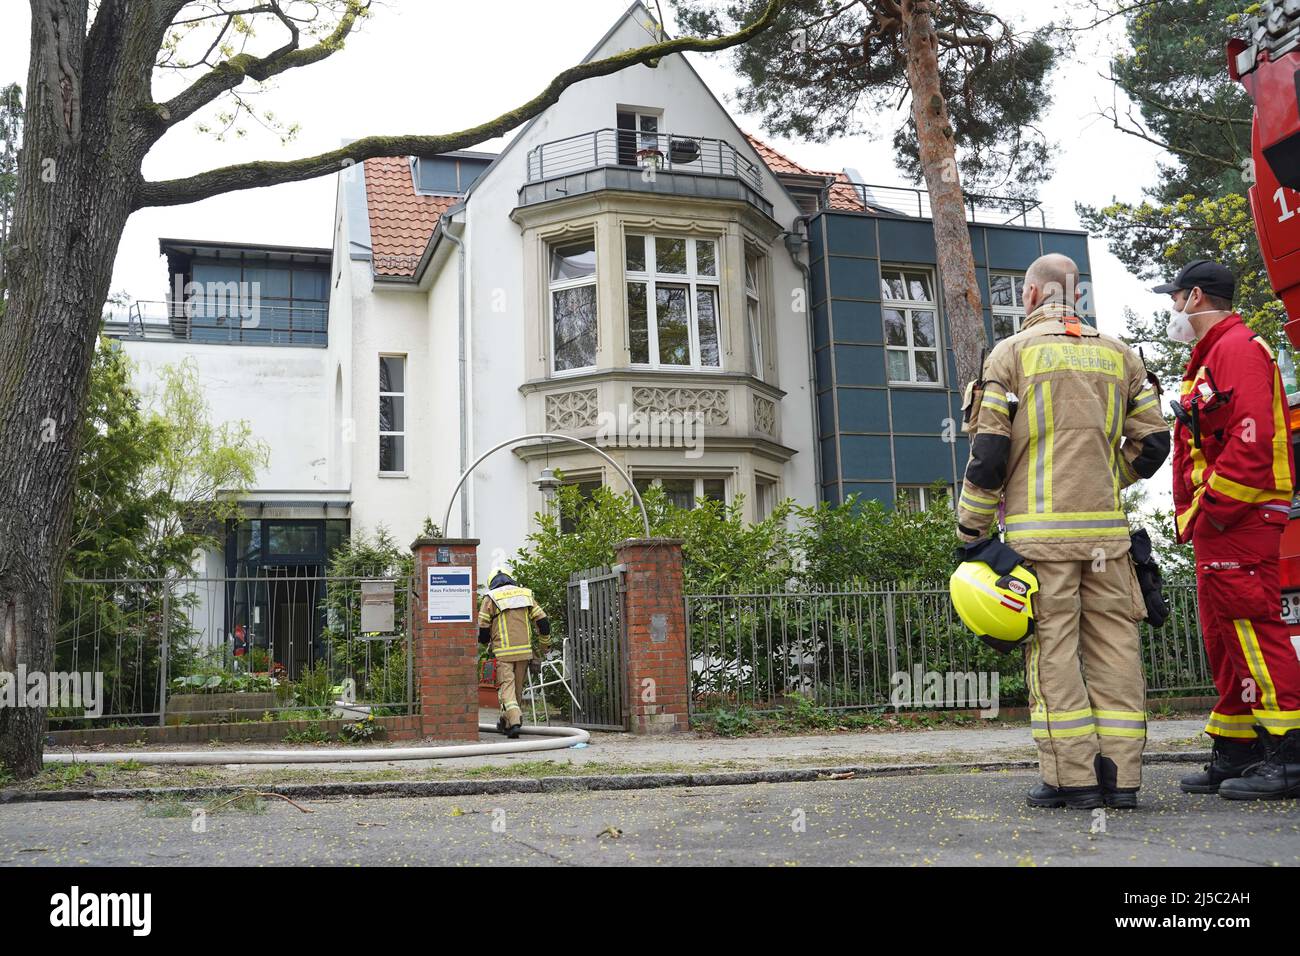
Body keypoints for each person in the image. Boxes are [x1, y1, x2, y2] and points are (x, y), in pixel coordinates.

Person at [956, 253, 1170, 809]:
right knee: (1116, 648)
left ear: (1031, 296)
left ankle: (1072, 780)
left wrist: (971, 530)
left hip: (1039, 539)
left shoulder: (1011, 355)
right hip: (1107, 539)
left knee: (1053, 651)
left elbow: (989, 454)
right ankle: (1122, 782)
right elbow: (1152, 444)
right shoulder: (1120, 356)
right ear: (1074, 296)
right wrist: (1104, 481)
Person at [1158, 259, 1300, 800]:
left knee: (1252, 629)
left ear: (1195, 297)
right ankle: (1238, 747)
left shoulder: (1235, 350)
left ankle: (1289, 756)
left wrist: (1212, 508)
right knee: (1224, 635)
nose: (1171, 309)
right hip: (1220, 522)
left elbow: (1251, 441)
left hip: (1237, 517)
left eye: (1174, 298)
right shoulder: (1213, 355)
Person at [477, 563, 550, 738]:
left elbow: (483, 628)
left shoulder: (490, 598)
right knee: (516, 689)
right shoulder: (525, 594)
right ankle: (506, 721)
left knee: (506, 688)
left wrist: (484, 644)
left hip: (504, 652)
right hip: (524, 651)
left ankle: (515, 722)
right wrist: (544, 644)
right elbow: (543, 621)